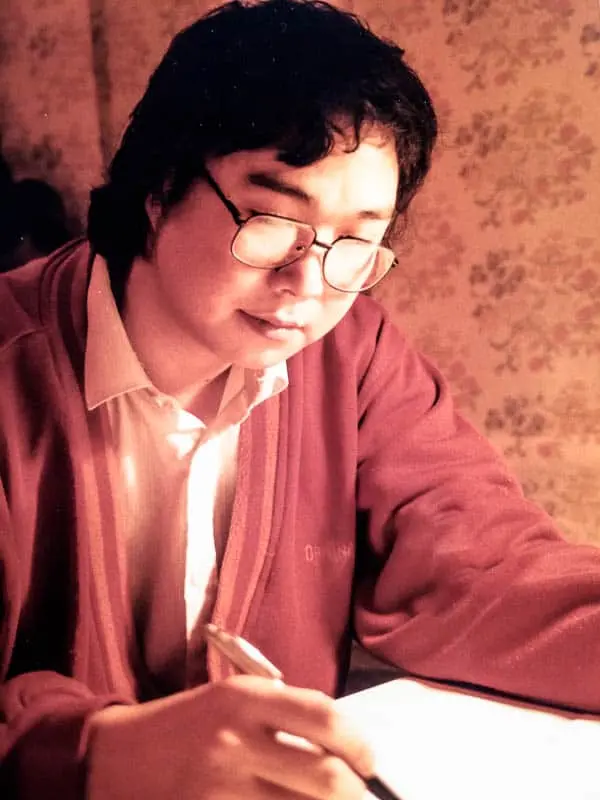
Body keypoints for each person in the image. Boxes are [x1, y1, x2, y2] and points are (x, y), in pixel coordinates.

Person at [1, 0, 600, 797]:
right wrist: (90, 753)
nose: (308, 284)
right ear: (160, 188)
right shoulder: (13, 366)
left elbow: (483, 571)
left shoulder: (352, 356)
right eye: (275, 218)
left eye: (356, 241)